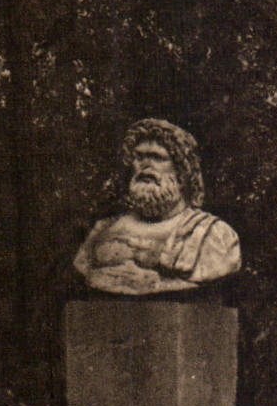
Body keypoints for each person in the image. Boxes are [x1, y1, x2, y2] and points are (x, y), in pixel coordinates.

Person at [73, 119, 241, 294]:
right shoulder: (102, 230)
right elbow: (82, 266)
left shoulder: (213, 234)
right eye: (139, 157)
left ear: (181, 171)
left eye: (157, 157)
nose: (146, 165)